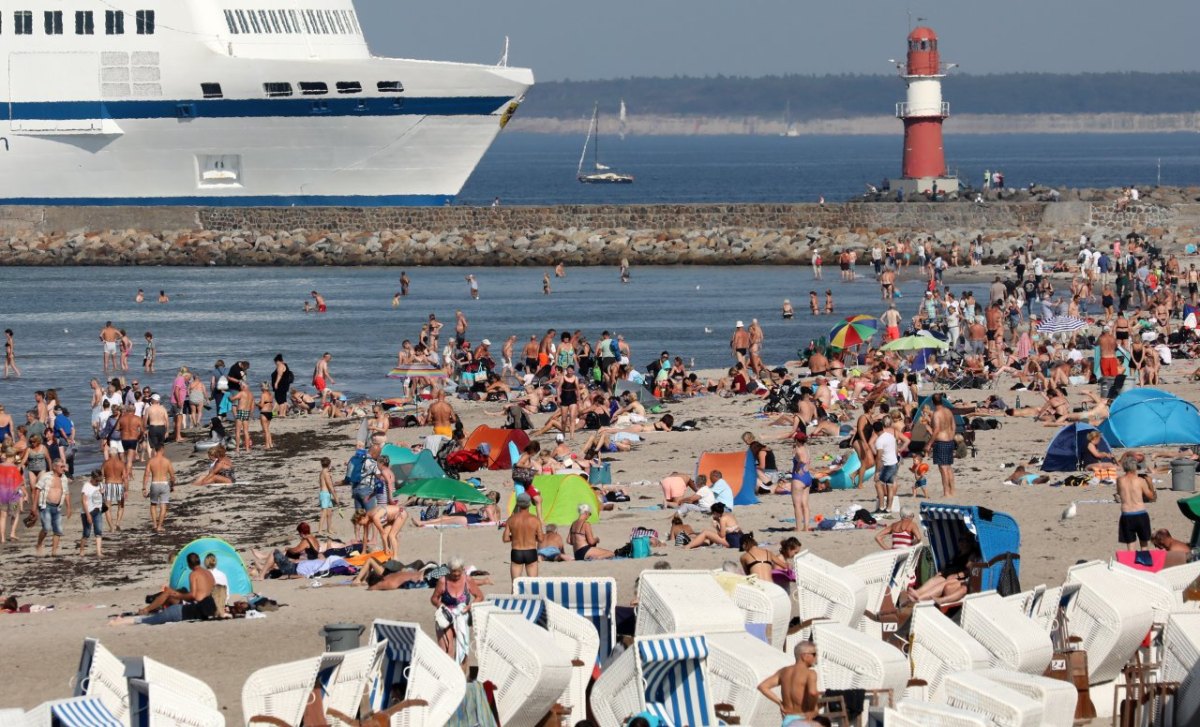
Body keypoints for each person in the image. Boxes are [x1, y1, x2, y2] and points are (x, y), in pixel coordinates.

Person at [133, 553, 218, 625]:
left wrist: (179, 595)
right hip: (209, 605)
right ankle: (156, 609)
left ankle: (146, 610)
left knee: (168, 592)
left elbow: (193, 595)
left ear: (189, 564)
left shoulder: (194, 574)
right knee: (175, 593)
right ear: (199, 561)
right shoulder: (209, 573)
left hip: (197, 605)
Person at [430, 557, 484, 666]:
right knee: (447, 650)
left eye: (459, 571)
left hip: (462, 617)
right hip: (446, 617)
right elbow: (434, 598)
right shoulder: (443, 581)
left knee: (463, 651)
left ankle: (462, 680)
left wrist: (469, 606)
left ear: (463, 569)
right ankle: (447, 678)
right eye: (453, 572)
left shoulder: (467, 580)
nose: (456, 574)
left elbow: (479, 596)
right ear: (449, 570)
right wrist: (441, 606)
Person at [905, 532, 979, 606]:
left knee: (942, 583)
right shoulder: (958, 553)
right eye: (960, 540)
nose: (961, 542)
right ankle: (917, 592)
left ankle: (919, 598)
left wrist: (957, 575)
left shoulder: (972, 554)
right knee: (935, 579)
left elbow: (970, 570)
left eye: (964, 540)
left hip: (959, 577)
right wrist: (943, 572)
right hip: (950, 574)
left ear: (970, 542)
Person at [757, 641, 821, 725]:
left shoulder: (784, 672)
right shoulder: (810, 673)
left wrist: (780, 703)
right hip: (803, 718)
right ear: (804, 656)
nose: (816, 657)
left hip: (788, 720)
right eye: (814, 654)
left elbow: (762, 686)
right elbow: (812, 693)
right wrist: (813, 710)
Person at [1117, 456, 1156, 550]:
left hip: (1126, 514)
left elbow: (1119, 493)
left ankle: (1131, 564)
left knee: (1130, 546)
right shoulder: (1140, 481)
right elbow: (1151, 497)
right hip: (1140, 513)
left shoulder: (1119, 480)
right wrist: (1150, 483)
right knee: (1144, 545)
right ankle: (1144, 562)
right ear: (1134, 467)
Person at [502, 492, 543, 578]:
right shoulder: (535, 519)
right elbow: (540, 539)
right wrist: (531, 536)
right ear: (529, 504)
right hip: (531, 551)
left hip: (517, 551)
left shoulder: (511, 519)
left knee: (515, 585)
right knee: (533, 585)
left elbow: (505, 539)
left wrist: (515, 536)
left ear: (518, 504)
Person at [35, 460, 71, 556]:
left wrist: (69, 507)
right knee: (46, 528)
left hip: (57, 507)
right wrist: (34, 506)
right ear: (54, 467)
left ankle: (54, 552)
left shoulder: (64, 478)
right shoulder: (46, 476)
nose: (64, 468)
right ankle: (39, 544)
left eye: (64, 466)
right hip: (45, 505)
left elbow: (66, 493)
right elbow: (37, 490)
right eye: (61, 467)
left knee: (58, 530)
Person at [143, 445, 176, 533]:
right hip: (164, 484)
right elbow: (172, 476)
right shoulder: (167, 461)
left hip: (154, 483)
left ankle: (154, 524)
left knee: (153, 504)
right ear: (162, 450)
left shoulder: (151, 461)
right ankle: (159, 526)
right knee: (163, 505)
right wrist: (172, 485)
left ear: (155, 450)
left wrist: (144, 488)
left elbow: (146, 474)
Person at [930, 393, 957, 496]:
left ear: (933, 402)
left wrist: (929, 443)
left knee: (943, 468)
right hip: (950, 441)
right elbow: (954, 426)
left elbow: (936, 430)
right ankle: (953, 491)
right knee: (949, 467)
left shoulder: (936, 414)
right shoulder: (948, 411)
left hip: (941, 442)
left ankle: (946, 492)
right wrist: (950, 436)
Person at [873, 420, 899, 514]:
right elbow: (896, 449)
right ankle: (888, 508)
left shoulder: (879, 441)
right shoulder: (890, 436)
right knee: (889, 486)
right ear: (883, 428)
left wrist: (877, 472)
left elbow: (878, 458)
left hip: (888, 465)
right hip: (894, 463)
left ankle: (881, 507)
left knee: (878, 484)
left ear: (875, 431)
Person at [789, 432, 813, 532]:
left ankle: (798, 528)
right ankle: (806, 527)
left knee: (797, 505)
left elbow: (802, 460)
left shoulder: (797, 450)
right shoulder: (807, 449)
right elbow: (808, 461)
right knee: (805, 504)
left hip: (799, 477)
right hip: (807, 477)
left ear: (797, 440)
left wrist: (798, 468)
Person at [78, 470, 104, 557]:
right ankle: (81, 550)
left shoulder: (100, 484)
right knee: (87, 532)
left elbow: (99, 496)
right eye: (97, 480)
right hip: (87, 512)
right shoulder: (86, 486)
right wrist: (88, 515)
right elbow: (84, 501)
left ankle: (98, 552)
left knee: (98, 531)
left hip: (97, 510)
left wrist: (101, 493)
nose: (98, 482)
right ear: (92, 478)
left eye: (99, 480)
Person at [0, 448, 24, 543]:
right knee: (16, 513)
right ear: (13, 456)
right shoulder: (14, 468)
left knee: (2, 516)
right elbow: (18, 483)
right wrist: (24, 493)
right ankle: (12, 533)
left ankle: (2, 538)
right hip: (13, 497)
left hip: (1, 496)